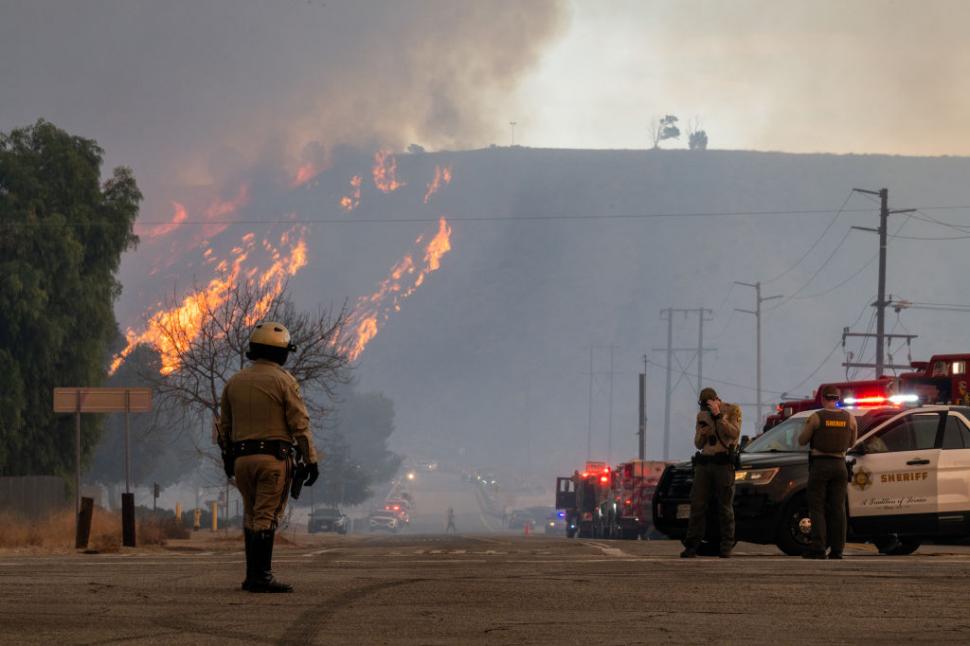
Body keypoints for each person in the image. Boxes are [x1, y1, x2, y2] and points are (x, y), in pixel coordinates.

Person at [217, 321, 321, 593]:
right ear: (281, 353)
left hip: (241, 461)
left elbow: (223, 428)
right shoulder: (284, 381)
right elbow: (300, 424)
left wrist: (228, 458)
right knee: (267, 516)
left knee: (251, 515)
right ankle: (261, 577)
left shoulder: (234, 382)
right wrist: (311, 459)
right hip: (273, 460)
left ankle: (251, 575)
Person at [798, 384, 857, 559]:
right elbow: (852, 442)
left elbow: (802, 440)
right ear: (838, 399)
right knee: (838, 508)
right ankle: (837, 550)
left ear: (823, 398)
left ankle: (818, 547)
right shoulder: (850, 418)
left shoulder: (817, 417)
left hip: (820, 464)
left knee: (817, 507)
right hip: (840, 465)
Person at [681, 387, 741, 558]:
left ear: (716, 400)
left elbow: (734, 433)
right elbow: (698, 444)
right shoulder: (701, 415)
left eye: (709, 404)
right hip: (705, 464)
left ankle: (726, 545)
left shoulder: (731, 410)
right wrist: (702, 433)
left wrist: (719, 417)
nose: (706, 408)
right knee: (697, 505)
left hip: (723, 463)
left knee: (725, 506)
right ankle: (692, 545)